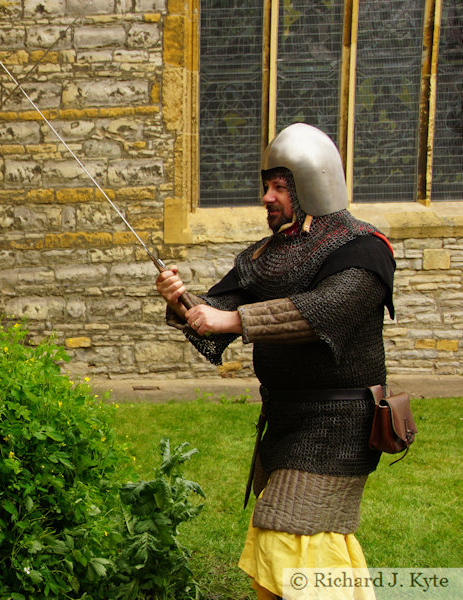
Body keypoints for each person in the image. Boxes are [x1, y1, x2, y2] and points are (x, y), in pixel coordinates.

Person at [156, 123, 395, 600]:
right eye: (266, 185)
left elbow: (320, 314)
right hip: (285, 422)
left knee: (293, 529)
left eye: (280, 186)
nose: (267, 197)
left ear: (311, 186)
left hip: (339, 422)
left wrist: (230, 321)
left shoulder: (364, 248)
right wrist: (181, 302)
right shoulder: (265, 256)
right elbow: (214, 316)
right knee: (305, 537)